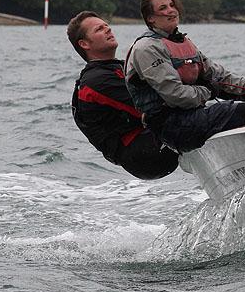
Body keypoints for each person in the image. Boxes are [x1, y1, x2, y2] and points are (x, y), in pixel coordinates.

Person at [125, 0, 245, 153]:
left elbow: (219, 76)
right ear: (150, 18)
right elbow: (176, 95)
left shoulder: (182, 42)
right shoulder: (147, 48)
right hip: (169, 125)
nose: (171, 10)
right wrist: (208, 91)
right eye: (162, 8)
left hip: (190, 117)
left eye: (172, 5)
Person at [68, 11, 179, 180]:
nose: (108, 29)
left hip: (151, 139)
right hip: (143, 154)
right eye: (99, 29)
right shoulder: (97, 81)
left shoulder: (118, 67)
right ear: (84, 44)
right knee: (202, 116)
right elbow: (150, 107)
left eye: (107, 25)